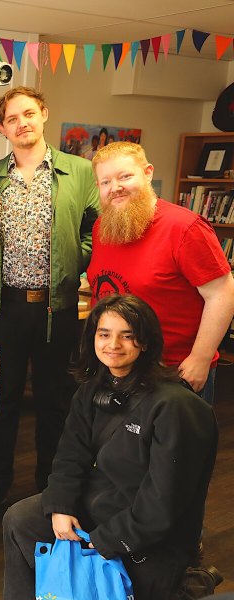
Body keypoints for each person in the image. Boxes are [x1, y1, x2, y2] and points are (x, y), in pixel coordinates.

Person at [2, 294, 219, 600]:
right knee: (22, 519)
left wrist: (102, 542)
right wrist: (60, 506)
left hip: (149, 530)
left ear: (145, 342)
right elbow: (69, 456)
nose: (113, 344)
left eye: (126, 335)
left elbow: (162, 504)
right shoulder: (92, 390)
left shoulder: (175, 406)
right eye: (103, 334)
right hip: (100, 506)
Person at [0, 87, 99, 519]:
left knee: (54, 402)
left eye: (29, 113)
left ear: (43, 114)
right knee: (2, 401)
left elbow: (93, 229)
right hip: (6, 307)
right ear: (2, 128)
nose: (22, 123)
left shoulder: (79, 171)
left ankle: (51, 489)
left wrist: (75, 261)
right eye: (12, 118)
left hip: (57, 306)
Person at [85, 142, 234, 405]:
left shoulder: (185, 228)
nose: (115, 187)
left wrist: (201, 357)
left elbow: (222, 293)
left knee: (175, 446)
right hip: (117, 367)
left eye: (125, 176)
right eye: (105, 181)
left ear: (148, 173)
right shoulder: (102, 227)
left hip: (173, 371)